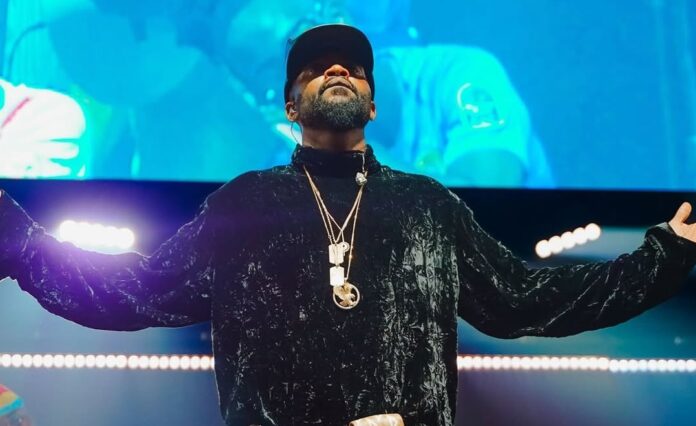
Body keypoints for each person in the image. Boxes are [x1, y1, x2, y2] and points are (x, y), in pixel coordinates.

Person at [1, 24, 696, 425]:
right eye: (314, 67)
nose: (336, 68)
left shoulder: (428, 206)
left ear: (372, 104)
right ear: (289, 105)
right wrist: (18, 241)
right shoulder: (244, 203)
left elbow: (527, 300)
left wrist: (663, 258)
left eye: (354, 67)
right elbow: (133, 292)